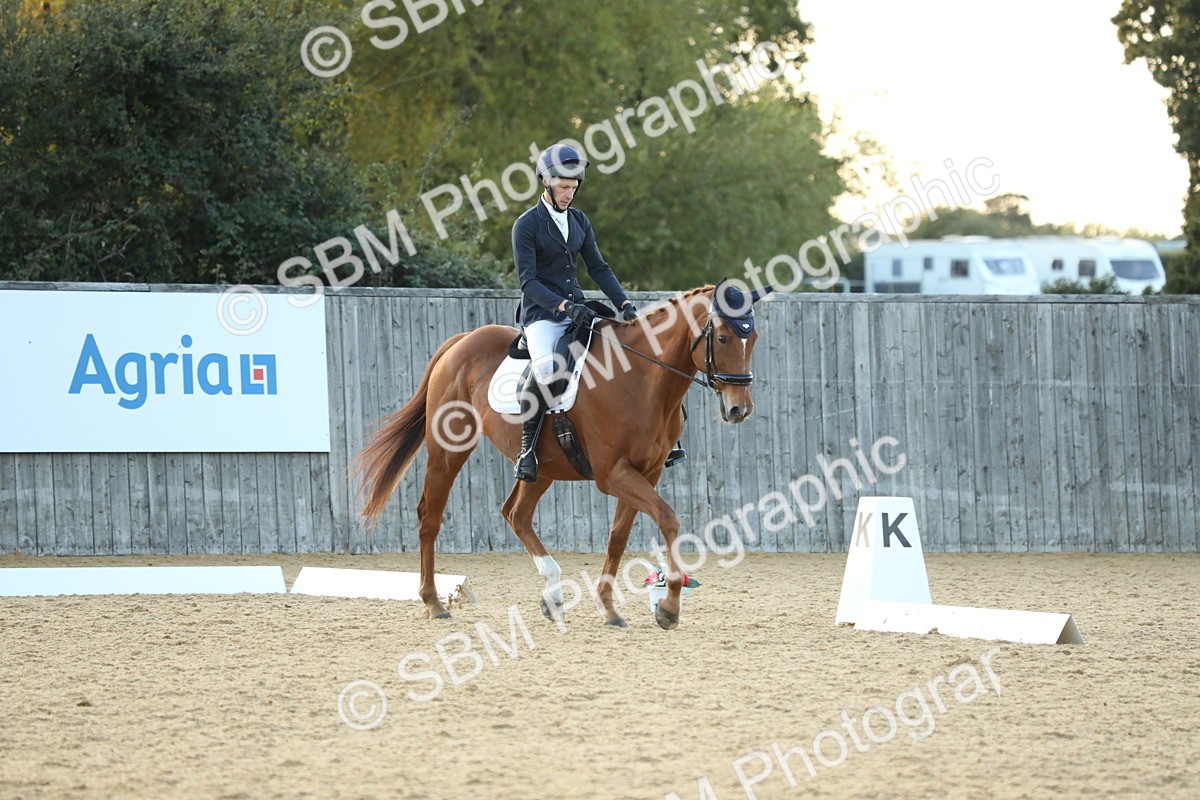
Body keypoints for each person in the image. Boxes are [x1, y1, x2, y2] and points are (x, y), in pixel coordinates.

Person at [511, 142, 684, 482]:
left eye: (573, 188)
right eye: (563, 187)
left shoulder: (579, 221)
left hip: (581, 310)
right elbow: (527, 281)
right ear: (546, 182)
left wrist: (623, 303)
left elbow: (598, 267)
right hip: (543, 315)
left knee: (637, 352)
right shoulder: (526, 225)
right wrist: (562, 305)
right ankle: (527, 450)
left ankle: (669, 440)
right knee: (547, 369)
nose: (568, 194)